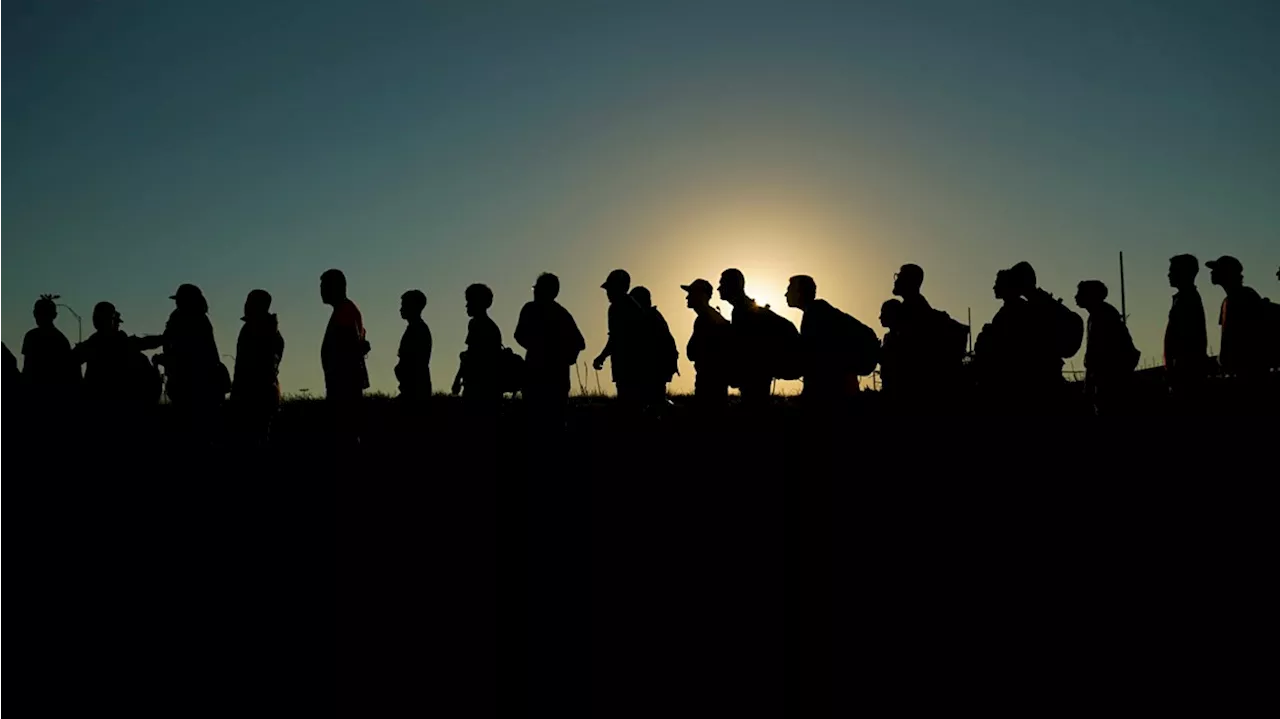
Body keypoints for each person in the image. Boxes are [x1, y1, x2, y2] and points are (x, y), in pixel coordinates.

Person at [888, 263, 967, 412]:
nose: (895, 280)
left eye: (899, 276)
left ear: (910, 281)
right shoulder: (911, 311)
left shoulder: (914, 315)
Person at [785, 275, 867, 412]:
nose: (786, 294)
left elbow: (815, 360)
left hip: (832, 395)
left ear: (800, 291)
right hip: (839, 392)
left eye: (790, 289)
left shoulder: (816, 314)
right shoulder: (819, 311)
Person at [157, 284, 226, 443]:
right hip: (199, 386)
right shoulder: (196, 318)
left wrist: (165, 358)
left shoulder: (189, 319)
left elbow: (186, 354)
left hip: (194, 387)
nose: (177, 304)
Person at [515, 273, 585, 429]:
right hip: (548, 377)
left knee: (542, 423)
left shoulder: (532, 309)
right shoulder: (561, 313)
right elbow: (579, 343)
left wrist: (541, 349)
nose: (534, 291)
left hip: (546, 377)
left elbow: (519, 335)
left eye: (537, 288)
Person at [717, 268, 783, 407]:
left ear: (733, 286)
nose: (719, 288)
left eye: (722, 284)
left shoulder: (743, 311)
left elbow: (748, 348)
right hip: (757, 374)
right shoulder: (743, 309)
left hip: (755, 376)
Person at [1075, 280, 1139, 416]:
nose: (1076, 297)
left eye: (1080, 293)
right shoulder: (1100, 314)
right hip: (1107, 380)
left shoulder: (1102, 316)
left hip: (1110, 382)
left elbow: (1099, 353)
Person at [320, 269, 370, 445]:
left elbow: (348, 348)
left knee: (344, 436)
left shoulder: (345, 311)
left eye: (324, 285)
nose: (321, 290)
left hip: (343, 385)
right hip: (342, 383)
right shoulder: (345, 310)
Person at [232, 289, 285, 447]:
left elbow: (249, 368)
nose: (245, 305)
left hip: (253, 397)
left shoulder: (254, 331)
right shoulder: (271, 332)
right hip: (264, 395)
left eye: (249, 302)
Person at [592, 269, 645, 410]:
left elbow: (616, 338)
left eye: (610, 289)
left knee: (629, 408)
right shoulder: (634, 306)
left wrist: (601, 357)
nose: (608, 293)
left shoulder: (617, 307)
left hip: (628, 367)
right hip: (637, 366)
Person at [453, 284, 505, 422]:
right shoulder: (480, 325)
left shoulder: (480, 326)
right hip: (484, 387)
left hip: (481, 389)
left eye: (469, 302)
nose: (466, 306)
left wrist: (457, 378)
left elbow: (472, 356)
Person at [1164, 255, 1207, 411]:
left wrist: (1176, 369)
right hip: (1183, 370)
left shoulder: (1187, 300)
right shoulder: (1185, 298)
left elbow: (1185, 339)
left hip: (1185, 372)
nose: (1168, 275)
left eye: (1172, 271)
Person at [682, 279, 732, 411]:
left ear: (702, 295)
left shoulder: (705, 319)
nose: (687, 297)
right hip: (713, 380)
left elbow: (692, 351)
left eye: (691, 293)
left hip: (710, 381)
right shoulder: (711, 317)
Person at [21, 295, 79, 406]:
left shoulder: (32, 336)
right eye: (37, 313)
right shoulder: (61, 339)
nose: (38, 316)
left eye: (41, 313)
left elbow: (27, 367)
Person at [628, 286, 678, 411]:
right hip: (656, 369)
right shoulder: (651, 317)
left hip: (654, 369)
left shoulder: (650, 319)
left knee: (653, 404)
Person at [395, 289, 434, 404]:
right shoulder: (415, 329)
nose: (401, 309)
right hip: (412, 389)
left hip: (415, 391)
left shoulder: (418, 330)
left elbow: (415, 362)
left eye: (404, 305)